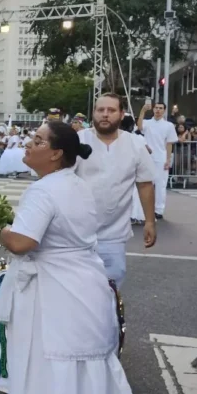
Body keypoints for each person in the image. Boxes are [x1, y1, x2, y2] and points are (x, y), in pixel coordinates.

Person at [0, 120, 140, 394]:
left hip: (56, 291)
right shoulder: (76, 184)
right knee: (75, 371)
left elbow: (22, 242)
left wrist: (1, 230)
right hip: (83, 286)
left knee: (56, 369)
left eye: (38, 140)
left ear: (56, 153)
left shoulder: (43, 190)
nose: (29, 144)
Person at [75, 94, 156, 288]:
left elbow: (145, 184)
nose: (105, 115)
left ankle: (108, 319)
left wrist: (150, 222)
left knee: (110, 289)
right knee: (77, 291)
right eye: (100, 110)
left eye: (111, 110)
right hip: (77, 233)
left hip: (114, 234)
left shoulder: (135, 144)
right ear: (93, 113)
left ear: (121, 114)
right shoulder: (78, 141)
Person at [137, 101, 178, 219]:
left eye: (161, 108)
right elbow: (139, 127)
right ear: (153, 109)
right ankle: (143, 208)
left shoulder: (169, 125)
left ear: (164, 111)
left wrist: (168, 160)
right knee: (146, 184)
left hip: (161, 158)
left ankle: (159, 210)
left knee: (160, 185)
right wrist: (143, 111)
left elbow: (169, 143)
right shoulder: (147, 122)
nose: (158, 110)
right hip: (147, 158)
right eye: (156, 108)